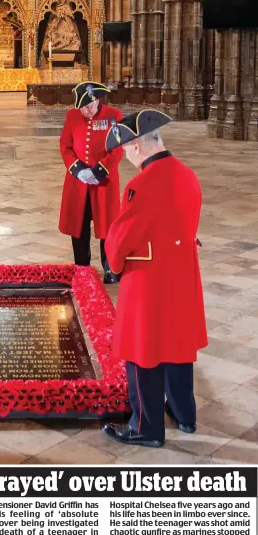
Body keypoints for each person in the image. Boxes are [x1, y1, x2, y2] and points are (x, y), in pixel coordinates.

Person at [101, 109, 208, 448]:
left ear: (135, 147)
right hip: (182, 275)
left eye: (126, 151)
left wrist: (113, 264)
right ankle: (184, 415)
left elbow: (122, 236)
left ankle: (146, 427)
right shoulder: (187, 173)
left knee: (143, 350)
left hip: (149, 279)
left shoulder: (142, 184)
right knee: (177, 344)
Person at [59, 82, 123, 283]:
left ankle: (110, 267)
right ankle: (82, 267)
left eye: (88, 107)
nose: (85, 111)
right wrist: (78, 170)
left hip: (104, 181)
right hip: (78, 181)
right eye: (82, 108)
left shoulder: (114, 115)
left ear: (97, 100)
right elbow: (65, 146)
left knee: (108, 225)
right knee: (79, 224)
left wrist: (99, 171)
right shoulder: (72, 116)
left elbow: (118, 148)